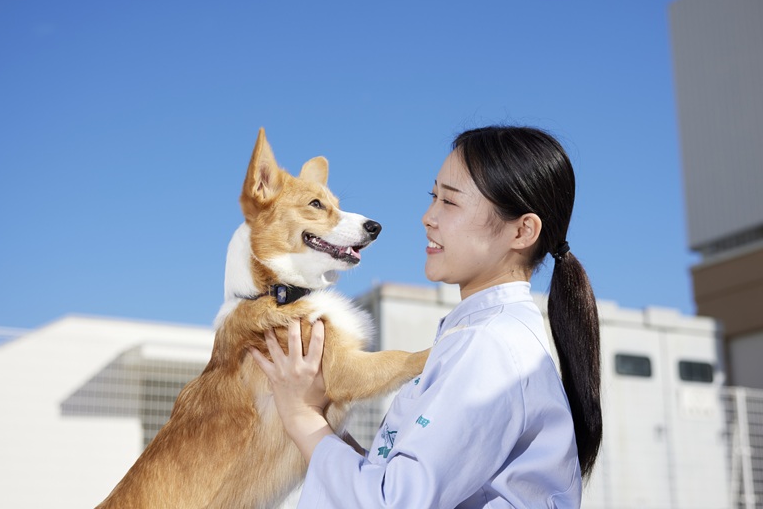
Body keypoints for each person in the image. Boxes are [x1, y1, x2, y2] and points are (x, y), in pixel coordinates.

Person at [251, 125, 602, 508]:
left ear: (521, 231)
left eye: (449, 202)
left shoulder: (490, 346)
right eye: (433, 196)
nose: (427, 217)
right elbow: (394, 481)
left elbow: (394, 502)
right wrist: (317, 414)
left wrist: (302, 416)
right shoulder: (485, 335)